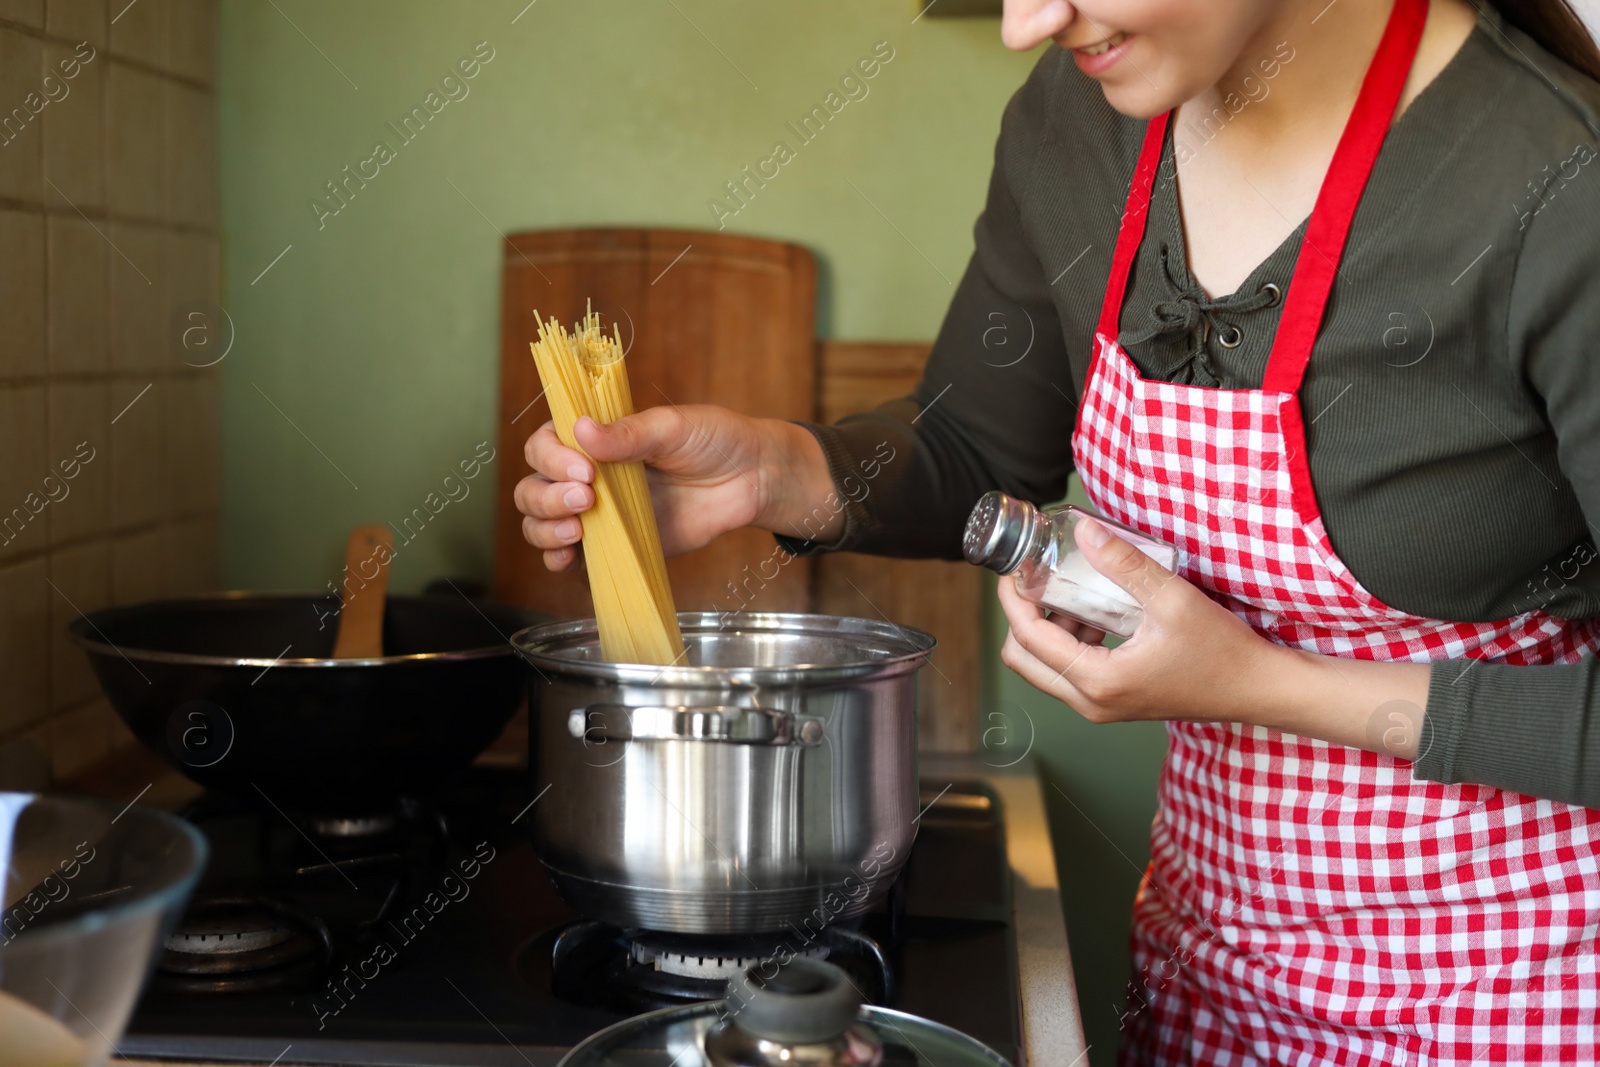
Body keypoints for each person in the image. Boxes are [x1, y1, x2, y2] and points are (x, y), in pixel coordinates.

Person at [516, 0, 1600, 1061]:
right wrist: (780, 470)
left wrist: (1261, 684)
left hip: (1515, 992)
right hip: (1214, 979)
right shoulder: (1079, 120)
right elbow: (977, 452)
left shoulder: (1559, 188)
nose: (1024, 24)